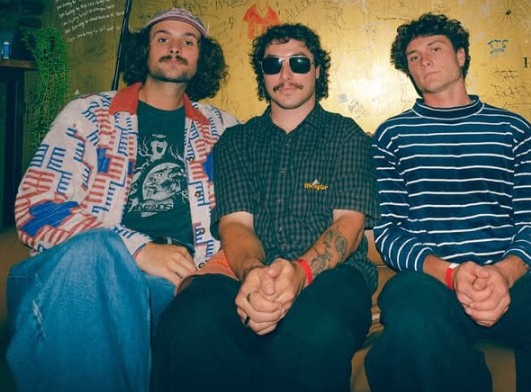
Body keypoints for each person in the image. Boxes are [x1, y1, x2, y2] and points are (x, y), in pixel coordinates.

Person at [365, 13, 531, 392]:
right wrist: (450, 273)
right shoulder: (392, 135)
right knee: (413, 324)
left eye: (434, 49)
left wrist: (504, 273)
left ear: (461, 55)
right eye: (413, 57)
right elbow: (388, 231)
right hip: (429, 281)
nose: (424, 61)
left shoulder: (512, 128)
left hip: (511, 277)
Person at [6, 8, 237, 392]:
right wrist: (137, 249)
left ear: (202, 57)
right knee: (94, 250)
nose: (175, 47)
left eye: (188, 41)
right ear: (144, 50)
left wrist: (207, 271)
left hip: (171, 284)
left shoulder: (222, 128)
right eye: (162, 38)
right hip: (78, 274)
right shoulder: (89, 115)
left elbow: (247, 213)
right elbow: (37, 205)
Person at [152, 23, 378, 392]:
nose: (285, 75)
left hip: (332, 277)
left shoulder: (345, 135)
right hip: (249, 272)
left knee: (316, 329)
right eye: (273, 64)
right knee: (188, 320)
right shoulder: (236, 141)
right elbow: (236, 225)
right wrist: (253, 273)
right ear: (262, 74)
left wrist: (300, 272)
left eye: (298, 63)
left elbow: (349, 225)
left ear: (317, 70)